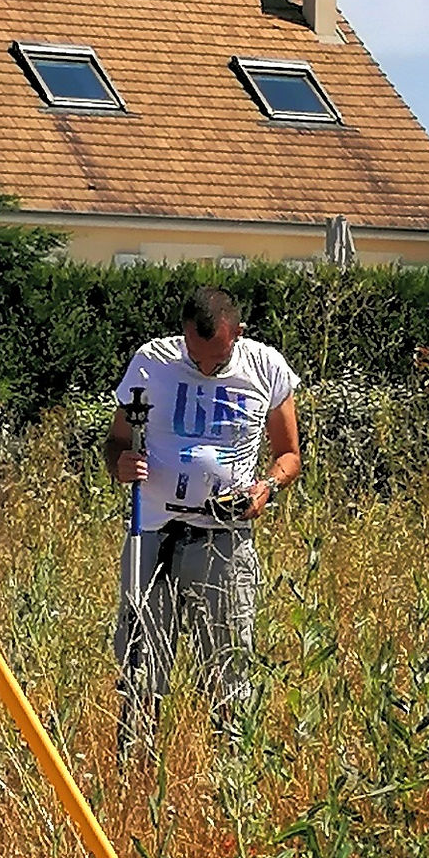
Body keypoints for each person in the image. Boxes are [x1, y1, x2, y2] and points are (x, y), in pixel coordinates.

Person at [104, 285, 301, 748]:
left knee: (228, 667)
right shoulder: (152, 363)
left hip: (225, 539)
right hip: (152, 533)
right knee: (141, 665)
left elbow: (289, 454)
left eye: (215, 358)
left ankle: (228, 774)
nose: (204, 366)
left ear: (238, 335)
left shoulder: (266, 368)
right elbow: (115, 441)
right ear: (183, 335)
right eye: (194, 354)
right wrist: (120, 464)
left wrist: (266, 489)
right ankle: (132, 769)